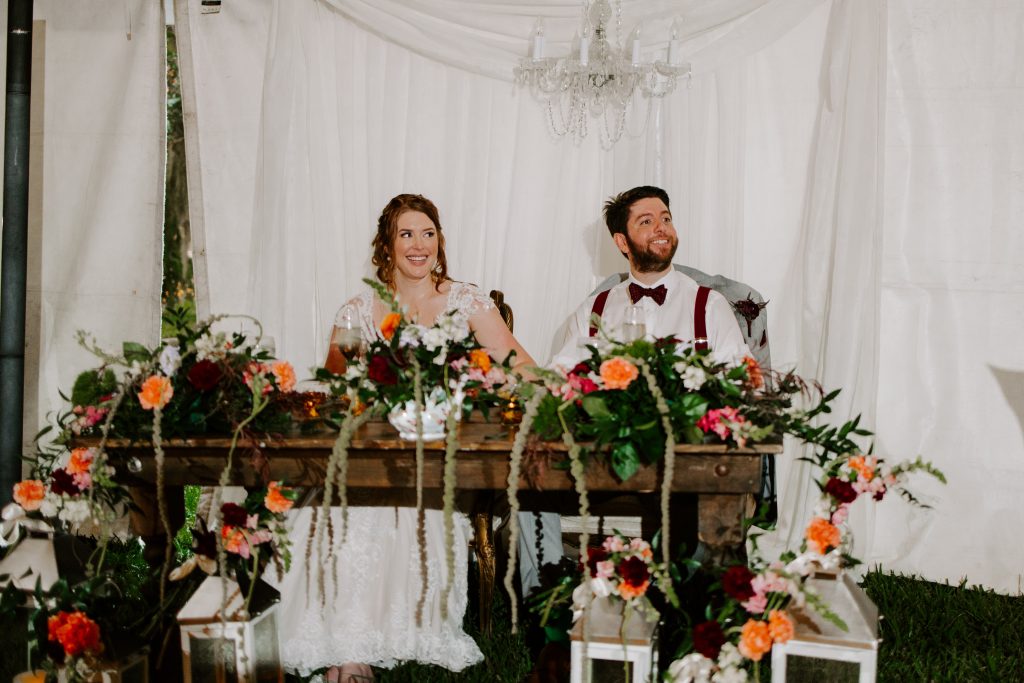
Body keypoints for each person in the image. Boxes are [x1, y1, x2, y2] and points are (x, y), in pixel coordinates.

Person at [269, 194, 535, 681]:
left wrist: (547, 391)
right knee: (327, 508)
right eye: (406, 234)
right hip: (370, 452)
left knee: (390, 508)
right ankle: (348, 651)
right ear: (386, 245)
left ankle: (355, 652)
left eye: (428, 233)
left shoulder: (465, 301)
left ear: (439, 241)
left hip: (438, 458)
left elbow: (521, 366)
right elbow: (334, 387)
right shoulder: (356, 311)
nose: (419, 245)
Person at [553, 185, 749, 366]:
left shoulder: (710, 306)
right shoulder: (591, 312)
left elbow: (744, 383)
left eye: (666, 219)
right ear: (622, 242)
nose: (661, 227)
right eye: (646, 221)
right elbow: (561, 381)